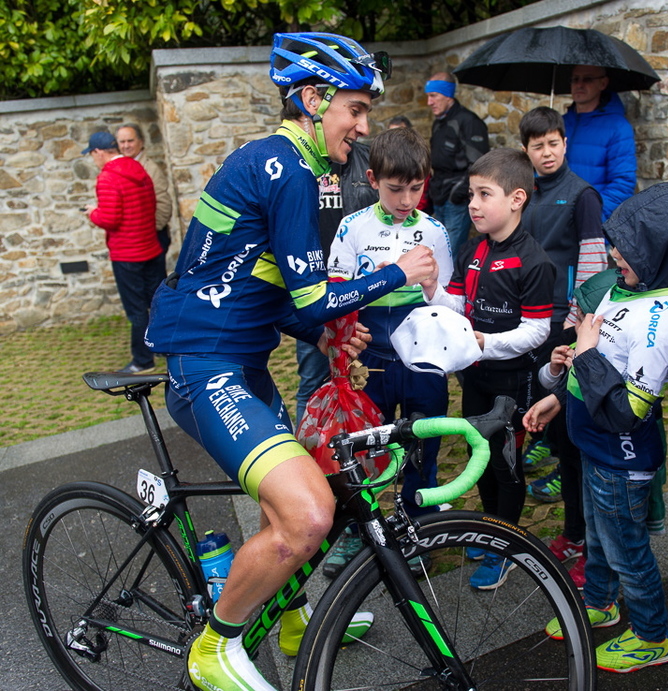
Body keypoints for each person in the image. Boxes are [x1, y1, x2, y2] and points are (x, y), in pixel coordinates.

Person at [145, 32, 436, 691]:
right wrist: (395, 271)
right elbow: (308, 299)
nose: (362, 129)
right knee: (305, 514)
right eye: (355, 110)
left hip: (242, 358)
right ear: (312, 99)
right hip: (206, 365)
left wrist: (332, 336)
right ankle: (215, 647)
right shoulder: (285, 167)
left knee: (321, 490)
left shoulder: (300, 171)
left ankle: (292, 615)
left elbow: (268, 294)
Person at [525, 182, 668, 674]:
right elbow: (597, 360)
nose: (613, 252)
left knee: (628, 550)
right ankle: (601, 601)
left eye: (627, 247)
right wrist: (557, 394)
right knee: (598, 534)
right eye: (613, 240)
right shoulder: (616, 287)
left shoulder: (662, 322)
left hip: (621, 458)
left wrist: (584, 354)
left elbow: (628, 410)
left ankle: (653, 636)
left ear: (660, 255)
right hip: (591, 444)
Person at [420, 147, 556, 590]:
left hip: (511, 384)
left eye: (484, 194)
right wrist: (431, 289)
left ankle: (508, 548)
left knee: (506, 464)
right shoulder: (473, 249)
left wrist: (485, 342)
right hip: (473, 377)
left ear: (517, 198)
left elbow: (537, 331)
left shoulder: (534, 261)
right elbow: (457, 304)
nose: (472, 204)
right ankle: (491, 530)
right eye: (472, 194)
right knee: (480, 456)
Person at [322, 125, 453, 577]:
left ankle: (417, 529)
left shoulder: (435, 231)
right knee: (359, 453)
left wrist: (433, 286)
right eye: (395, 189)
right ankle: (355, 532)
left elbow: (455, 308)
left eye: (416, 188)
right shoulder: (353, 227)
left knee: (421, 449)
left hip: (423, 359)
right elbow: (334, 300)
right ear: (373, 178)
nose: (405, 200)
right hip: (369, 358)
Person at [516, 106, 605, 587]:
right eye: (537, 145)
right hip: (528, 321)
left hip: (564, 325)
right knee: (545, 419)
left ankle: (580, 532)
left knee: (572, 438)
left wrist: (574, 326)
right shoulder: (526, 194)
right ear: (526, 150)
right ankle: (574, 524)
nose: (547, 153)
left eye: (553, 143)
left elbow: (592, 265)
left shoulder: (582, 196)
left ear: (565, 144)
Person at [294, 138, 378, 424]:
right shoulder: (298, 162)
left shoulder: (369, 158)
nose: (360, 126)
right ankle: (306, 453)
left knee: (362, 377)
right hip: (315, 289)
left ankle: (359, 451)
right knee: (312, 378)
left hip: (363, 288)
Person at [82, 130, 165, 374]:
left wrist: (92, 213)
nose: (93, 159)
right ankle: (161, 346)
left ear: (99, 152)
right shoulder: (137, 168)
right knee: (156, 301)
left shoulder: (107, 177)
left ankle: (142, 360)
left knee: (136, 309)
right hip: (149, 245)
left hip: (127, 253)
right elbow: (147, 204)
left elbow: (110, 218)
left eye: (92, 154)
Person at [425, 72, 490, 254]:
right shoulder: (439, 123)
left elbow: (479, 165)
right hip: (438, 197)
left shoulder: (469, 122)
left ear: (447, 95)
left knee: (450, 254)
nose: (429, 102)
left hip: (456, 201)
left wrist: (458, 194)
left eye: (433, 96)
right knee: (437, 252)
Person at [563, 65, 637, 221]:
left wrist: (591, 216)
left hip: (591, 225)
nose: (579, 84)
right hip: (556, 223)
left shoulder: (618, 127)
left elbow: (622, 183)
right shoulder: (559, 124)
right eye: (575, 79)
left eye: (587, 79)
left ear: (603, 83)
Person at [116, 123, 173, 256]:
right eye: (122, 142)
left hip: (152, 238)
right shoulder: (120, 167)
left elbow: (163, 204)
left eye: (130, 141)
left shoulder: (150, 169)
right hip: (134, 241)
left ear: (141, 142)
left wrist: (149, 232)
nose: (126, 146)